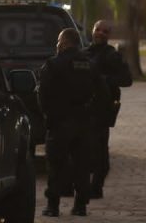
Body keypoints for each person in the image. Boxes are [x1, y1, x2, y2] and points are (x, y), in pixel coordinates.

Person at [38, 27, 103, 217]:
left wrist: (48, 117)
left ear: (65, 43)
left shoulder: (53, 65)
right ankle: (80, 206)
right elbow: (102, 94)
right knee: (82, 166)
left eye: (59, 41)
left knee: (56, 166)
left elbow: (43, 95)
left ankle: (53, 206)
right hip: (84, 122)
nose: (57, 45)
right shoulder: (91, 65)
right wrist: (94, 117)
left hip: (60, 122)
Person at [85, 19, 132, 198]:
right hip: (83, 108)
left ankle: (96, 187)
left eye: (105, 31)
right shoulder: (84, 53)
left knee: (100, 151)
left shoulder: (112, 55)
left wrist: (104, 80)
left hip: (102, 110)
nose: (100, 33)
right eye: (98, 29)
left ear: (109, 35)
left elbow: (127, 80)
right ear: (93, 30)